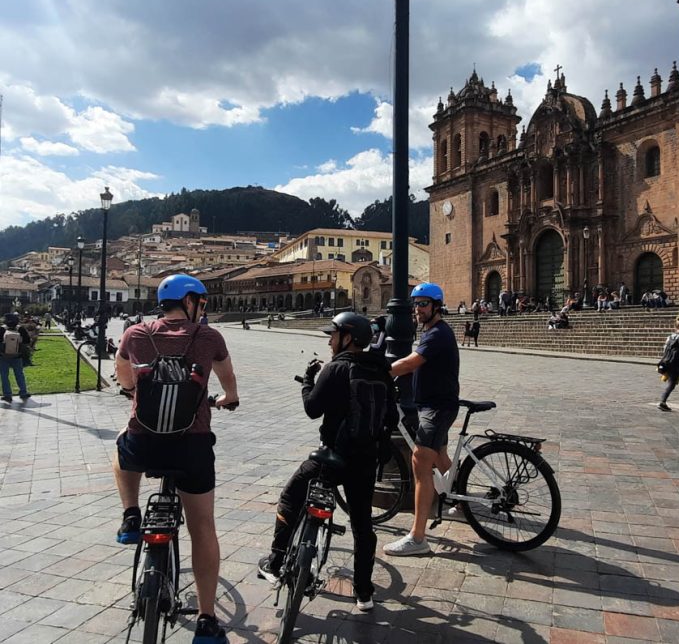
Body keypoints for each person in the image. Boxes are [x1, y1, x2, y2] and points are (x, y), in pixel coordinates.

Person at [113, 274, 239, 643]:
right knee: (202, 528)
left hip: (145, 443)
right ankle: (206, 618)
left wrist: (132, 390)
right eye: (201, 302)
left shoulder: (135, 333)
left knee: (124, 440)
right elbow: (228, 379)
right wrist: (228, 397)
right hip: (192, 445)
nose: (203, 308)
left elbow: (123, 376)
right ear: (190, 301)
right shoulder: (209, 337)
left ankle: (131, 516)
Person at [257, 312, 398, 611]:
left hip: (331, 458)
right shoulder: (381, 370)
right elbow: (392, 417)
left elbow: (312, 409)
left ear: (347, 338)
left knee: (290, 496)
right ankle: (363, 593)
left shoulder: (335, 368)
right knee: (362, 525)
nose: (330, 341)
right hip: (365, 461)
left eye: (333, 336)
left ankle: (275, 560)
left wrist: (308, 381)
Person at [383, 283, 459, 556]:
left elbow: (411, 362)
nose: (418, 309)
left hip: (436, 408)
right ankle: (461, 504)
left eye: (424, 303)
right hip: (436, 404)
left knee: (420, 460)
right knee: (438, 455)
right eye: (415, 304)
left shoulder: (437, 333)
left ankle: (417, 538)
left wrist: (380, 373)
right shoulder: (432, 331)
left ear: (436, 306)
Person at [0, 313, 31, 403]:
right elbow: (27, 341)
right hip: (17, 356)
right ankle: (23, 392)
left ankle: (7, 395)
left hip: (3, 356)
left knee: (4, 375)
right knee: (19, 374)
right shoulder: (20, 329)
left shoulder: (2, 329)